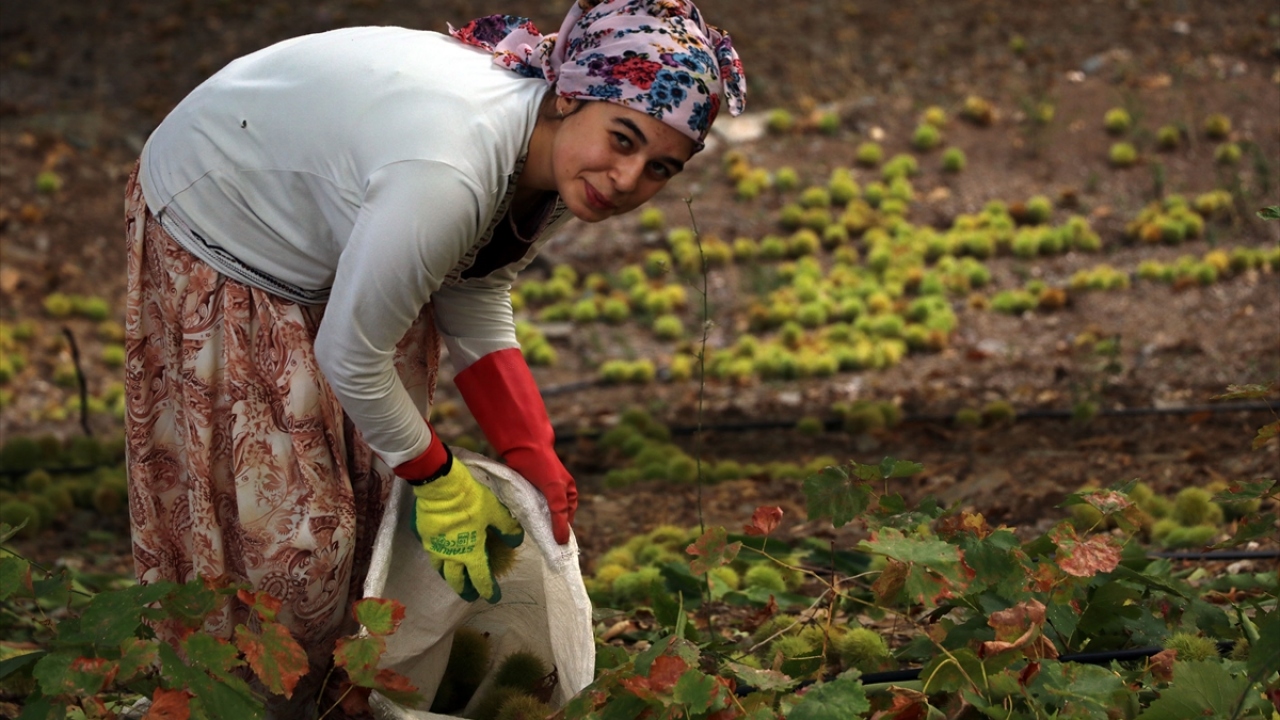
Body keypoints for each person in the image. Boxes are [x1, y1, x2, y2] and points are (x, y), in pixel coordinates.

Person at [124, 0, 744, 714]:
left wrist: (528, 444)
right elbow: (353, 353)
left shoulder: (559, 161)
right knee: (294, 541)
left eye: (661, 167)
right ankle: (239, 697)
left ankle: (341, 692)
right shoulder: (452, 169)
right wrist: (439, 477)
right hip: (225, 206)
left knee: (369, 508)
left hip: (354, 211)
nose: (629, 178)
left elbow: (478, 282)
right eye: (624, 139)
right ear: (571, 95)